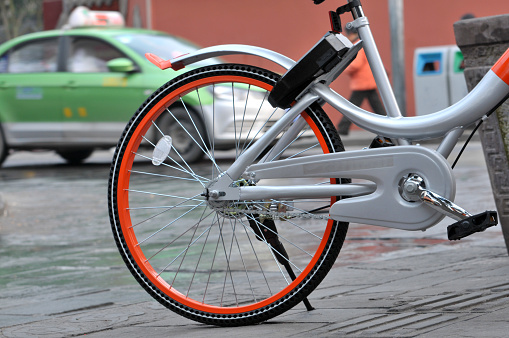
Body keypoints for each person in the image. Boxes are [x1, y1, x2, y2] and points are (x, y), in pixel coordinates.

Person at [337, 26, 386, 135]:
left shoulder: (358, 45)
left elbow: (356, 64)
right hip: (366, 82)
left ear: (352, 34)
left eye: (348, 34)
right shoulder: (361, 44)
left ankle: (343, 128)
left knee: (351, 107)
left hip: (362, 83)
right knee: (377, 108)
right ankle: (387, 125)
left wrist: (344, 66)